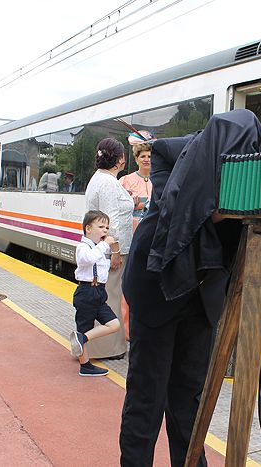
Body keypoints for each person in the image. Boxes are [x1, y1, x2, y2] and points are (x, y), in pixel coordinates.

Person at [119, 109, 261, 467]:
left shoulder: (253, 169)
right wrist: (211, 205)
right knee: (148, 398)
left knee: (188, 399)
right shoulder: (181, 157)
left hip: (200, 296)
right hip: (157, 288)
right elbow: (180, 205)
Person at [84, 138, 133, 359]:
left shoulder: (99, 179)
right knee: (111, 296)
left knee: (105, 295)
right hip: (111, 251)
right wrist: (114, 251)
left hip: (101, 248)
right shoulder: (109, 183)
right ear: (121, 159)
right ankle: (107, 348)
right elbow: (110, 220)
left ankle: (104, 344)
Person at [69, 210, 122, 377]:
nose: (105, 230)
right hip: (86, 292)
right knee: (84, 326)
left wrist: (114, 251)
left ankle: (82, 338)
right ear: (88, 229)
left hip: (99, 292)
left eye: (107, 227)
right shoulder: (83, 247)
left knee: (114, 324)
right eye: (101, 226)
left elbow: (102, 267)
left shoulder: (99, 248)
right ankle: (85, 366)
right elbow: (88, 259)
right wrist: (105, 245)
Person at [118, 130, 155, 340]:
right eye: (143, 156)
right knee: (128, 282)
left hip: (153, 237)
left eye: (149, 156)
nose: (147, 159)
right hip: (132, 236)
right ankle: (127, 330)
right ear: (137, 159)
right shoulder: (126, 180)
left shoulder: (159, 179)